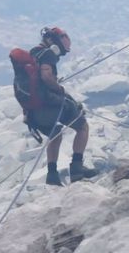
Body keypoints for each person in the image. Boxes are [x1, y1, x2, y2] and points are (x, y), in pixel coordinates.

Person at [27, 27, 96, 186]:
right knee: (82, 125)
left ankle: (52, 175)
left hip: (33, 111)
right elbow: (46, 76)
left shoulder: (33, 53)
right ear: (53, 42)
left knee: (55, 133)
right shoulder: (48, 54)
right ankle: (77, 169)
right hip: (47, 105)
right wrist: (58, 88)